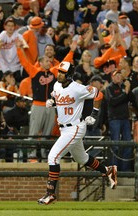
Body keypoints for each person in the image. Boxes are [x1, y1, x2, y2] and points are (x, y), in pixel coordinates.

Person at [38, 61, 117, 205]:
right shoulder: (56, 85)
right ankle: (107, 170)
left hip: (74, 128)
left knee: (53, 157)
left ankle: (50, 194)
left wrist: (94, 114)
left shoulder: (77, 88)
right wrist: (52, 102)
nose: (59, 74)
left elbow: (98, 95)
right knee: (82, 159)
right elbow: (59, 100)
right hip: (64, 129)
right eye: (59, 71)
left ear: (69, 75)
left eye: (62, 72)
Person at [104, 70, 133, 172]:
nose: (118, 77)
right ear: (112, 77)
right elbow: (113, 101)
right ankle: (114, 169)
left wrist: (128, 89)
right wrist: (125, 92)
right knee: (115, 145)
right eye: (116, 76)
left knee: (128, 144)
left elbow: (131, 99)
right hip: (114, 119)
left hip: (125, 118)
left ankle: (125, 169)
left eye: (120, 76)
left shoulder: (124, 87)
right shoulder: (109, 88)